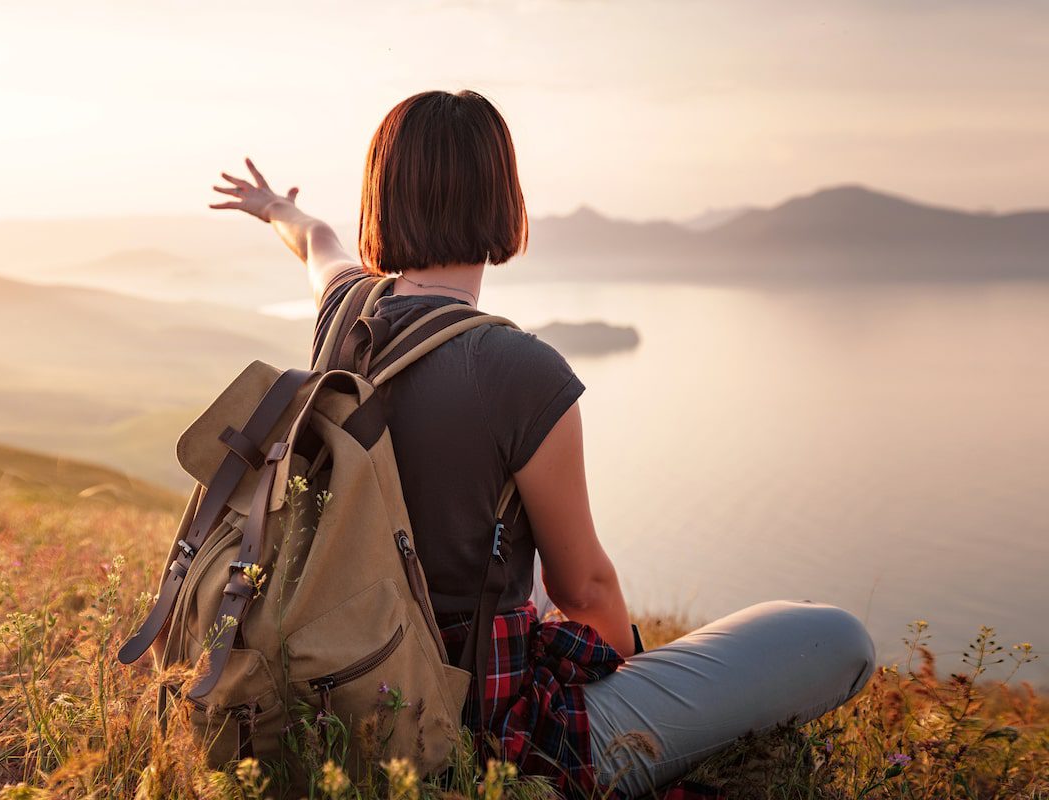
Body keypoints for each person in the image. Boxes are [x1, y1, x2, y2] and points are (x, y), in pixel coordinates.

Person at [210, 89, 876, 799]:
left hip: (333, 693)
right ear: (503, 199)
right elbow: (583, 587)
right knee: (835, 640)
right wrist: (626, 683)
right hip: (472, 738)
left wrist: (274, 208)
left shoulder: (345, 311)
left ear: (380, 198)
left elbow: (318, 242)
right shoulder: (521, 371)